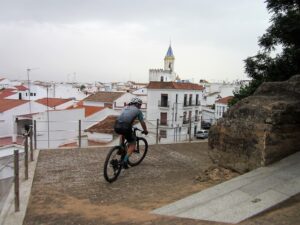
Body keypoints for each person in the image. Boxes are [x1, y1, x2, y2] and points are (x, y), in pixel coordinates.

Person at [114, 97, 148, 169]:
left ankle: (121, 147)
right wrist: (145, 130)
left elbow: (124, 118)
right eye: (140, 105)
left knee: (122, 133)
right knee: (132, 143)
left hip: (116, 125)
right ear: (137, 104)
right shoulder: (138, 111)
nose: (140, 106)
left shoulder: (125, 108)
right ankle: (125, 161)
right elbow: (142, 122)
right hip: (126, 127)